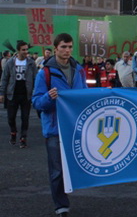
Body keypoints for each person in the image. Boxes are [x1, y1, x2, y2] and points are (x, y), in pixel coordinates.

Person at [32, 33, 88, 217]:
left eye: (70, 47)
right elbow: (37, 102)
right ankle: (61, 205)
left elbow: (85, 96)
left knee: (81, 164)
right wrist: (49, 97)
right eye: (63, 47)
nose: (67, 50)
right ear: (55, 48)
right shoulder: (45, 73)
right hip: (55, 129)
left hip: (76, 127)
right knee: (57, 171)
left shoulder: (79, 70)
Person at [0, 40, 37, 148]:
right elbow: (4, 78)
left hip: (26, 94)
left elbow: (35, 78)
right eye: (23, 50)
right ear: (18, 51)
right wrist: (2, 93)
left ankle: (23, 138)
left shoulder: (31, 63)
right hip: (13, 94)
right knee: (11, 117)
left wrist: (36, 92)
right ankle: (13, 132)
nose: (26, 52)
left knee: (25, 117)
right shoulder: (10, 62)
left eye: (27, 49)